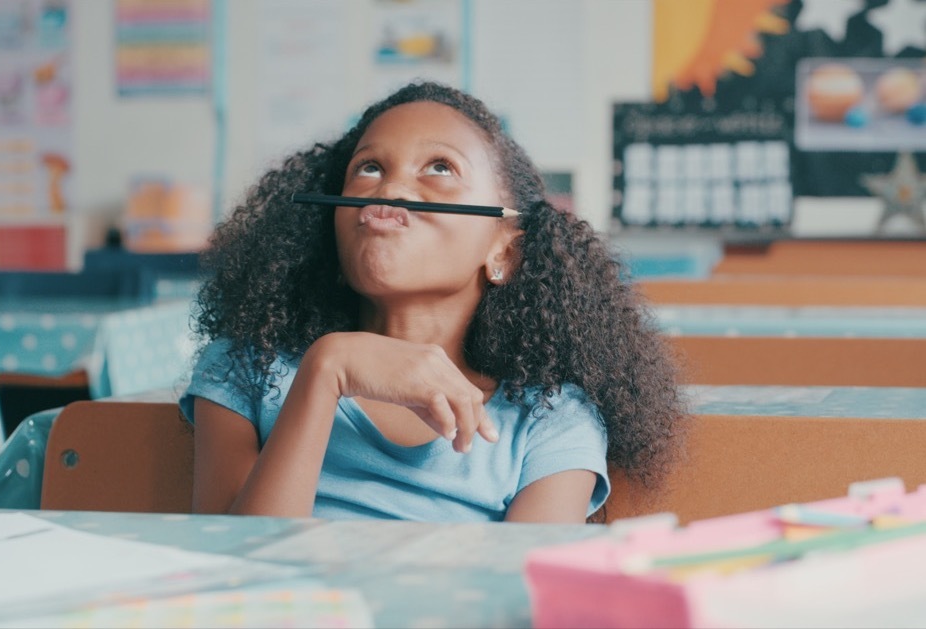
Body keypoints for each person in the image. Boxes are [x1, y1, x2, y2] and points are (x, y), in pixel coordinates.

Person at [179, 81, 687, 523]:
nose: (392, 187)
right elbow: (236, 566)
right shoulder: (246, 370)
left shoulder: (550, 420)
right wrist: (328, 368)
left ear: (504, 250)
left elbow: (524, 594)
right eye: (369, 167)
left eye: (440, 167)